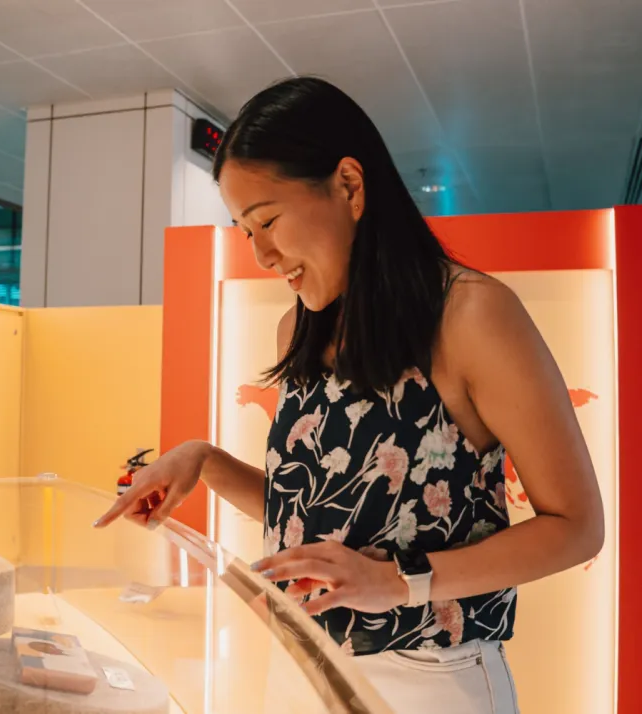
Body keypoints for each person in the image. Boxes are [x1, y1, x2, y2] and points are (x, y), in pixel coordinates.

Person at [94, 77, 604, 713]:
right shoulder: (300, 327)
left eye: (268, 221)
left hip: (428, 680)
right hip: (302, 667)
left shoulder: (471, 315)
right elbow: (322, 514)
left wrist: (397, 582)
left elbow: (577, 528)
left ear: (350, 186)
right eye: (243, 230)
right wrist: (203, 459)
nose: (261, 254)